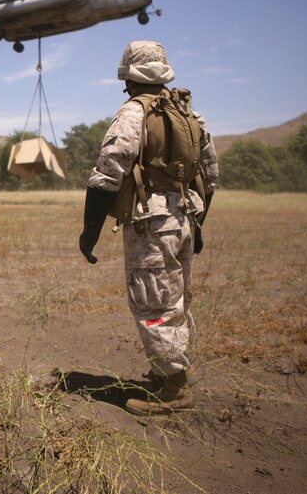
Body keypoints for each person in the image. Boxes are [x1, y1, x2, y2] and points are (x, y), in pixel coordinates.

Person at [78, 40, 219, 416]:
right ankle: (170, 374)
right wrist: (197, 223)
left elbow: (106, 176)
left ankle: (173, 390)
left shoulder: (132, 114)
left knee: (153, 303)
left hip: (151, 225)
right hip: (186, 218)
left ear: (127, 76)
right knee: (175, 300)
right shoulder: (190, 114)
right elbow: (210, 175)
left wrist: (89, 233)